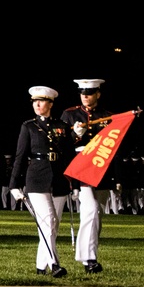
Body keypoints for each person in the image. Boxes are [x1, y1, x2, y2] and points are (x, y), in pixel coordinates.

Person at [9, 86, 75, 277]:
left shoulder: (62, 126)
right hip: (37, 177)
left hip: (59, 179)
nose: (37, 105)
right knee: (48, 220)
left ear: (51, 104)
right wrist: (14, 184)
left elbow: (70, 157)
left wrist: (75, 184)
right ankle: (55, 264)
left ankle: (40, 266)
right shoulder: (28, 126)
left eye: (42, 101)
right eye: (34, 102)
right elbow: (20, 157)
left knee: (53, 225)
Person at [59, 78, 112, 273]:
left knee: (97, 214)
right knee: (90, 211)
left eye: (89, 93)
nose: (85, 96)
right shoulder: (70, 114)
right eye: (83, 93)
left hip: (102, 170)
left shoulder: (107, 116)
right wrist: (75, 135)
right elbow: (61, 143)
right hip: (81, 169)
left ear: (98, 94)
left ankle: (89, 254)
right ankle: (89, 258)